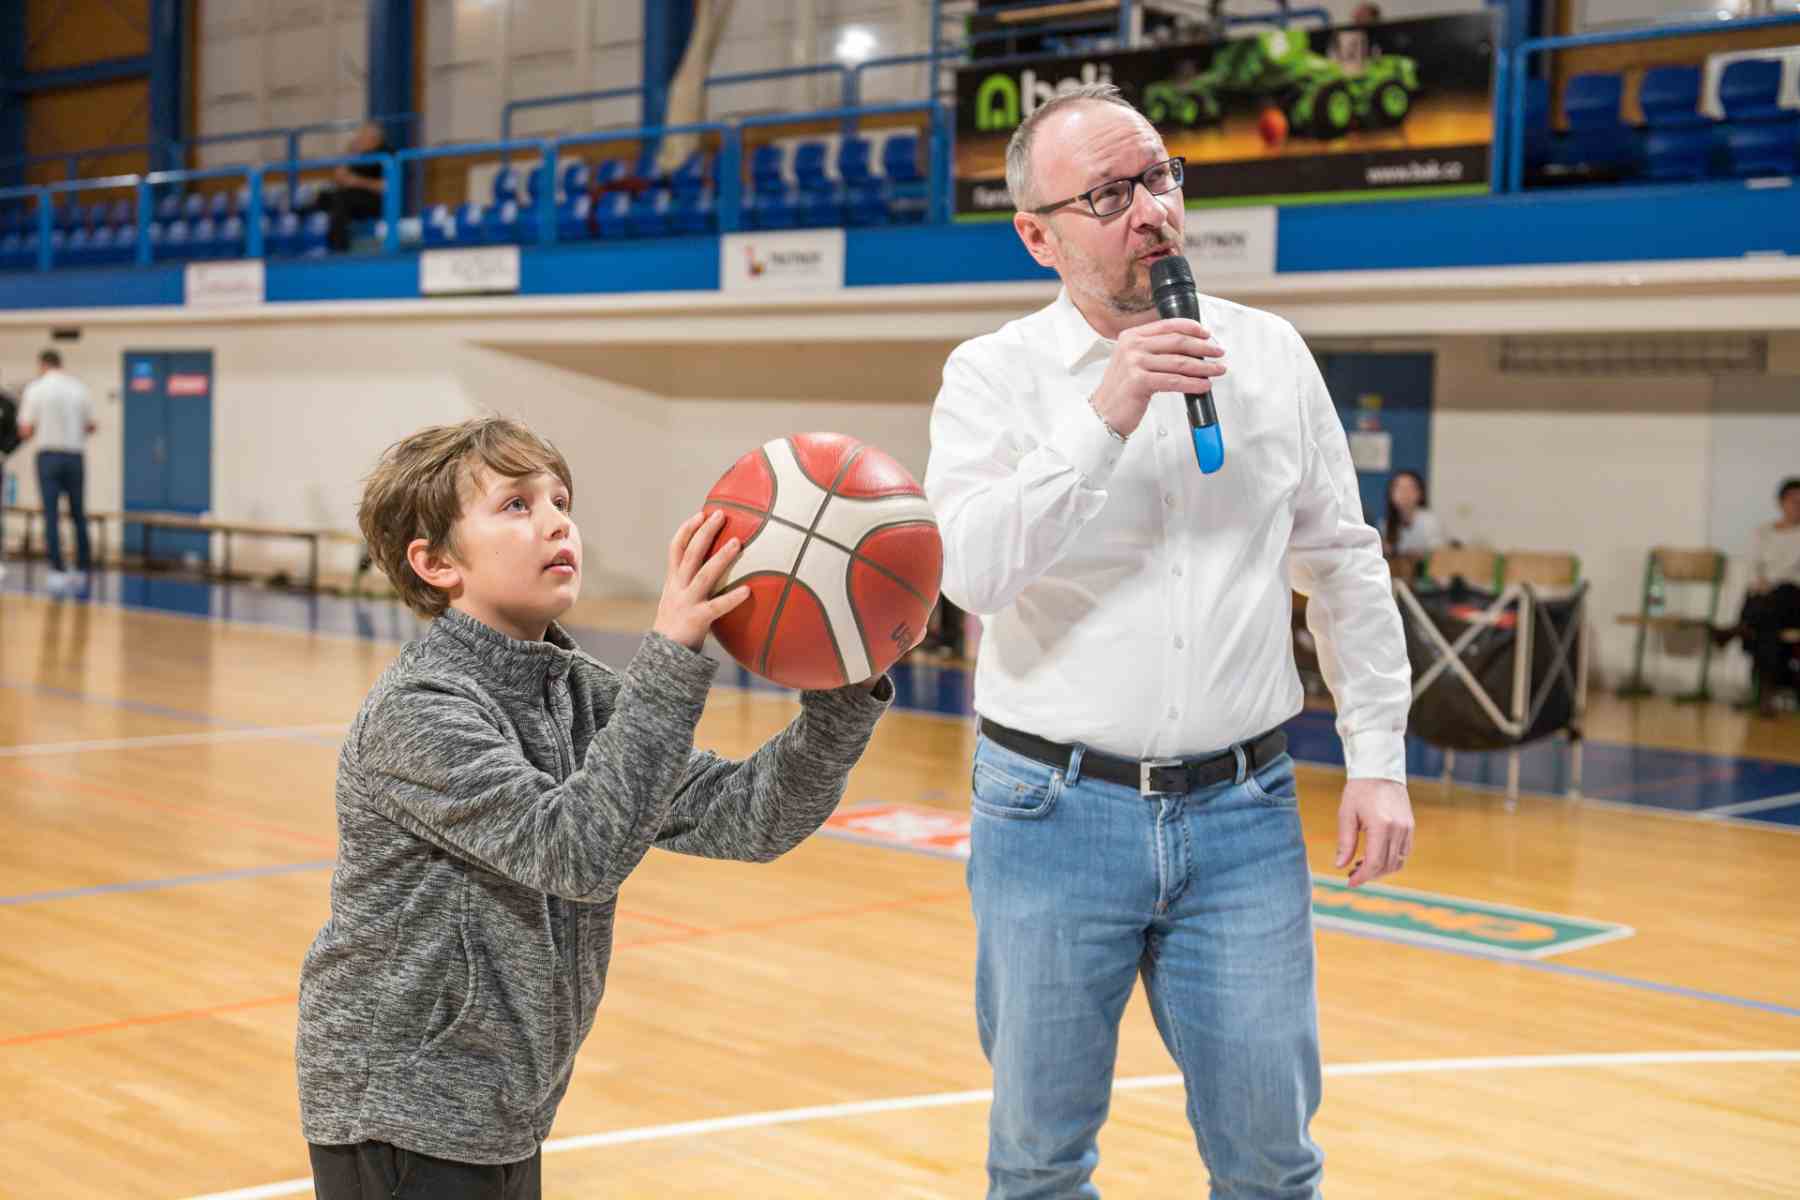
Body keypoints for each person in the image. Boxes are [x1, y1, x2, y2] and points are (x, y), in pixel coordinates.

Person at [924, 84, 1413, 1198]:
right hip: (1050, 814)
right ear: (1037, 236)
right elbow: (973, 573)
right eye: (1109, 194)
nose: (1151, 209)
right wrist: (1105, 414)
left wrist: (1379, 759)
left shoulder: (1270, 353)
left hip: (1244, 814)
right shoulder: (991, 375)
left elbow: (1343, 564)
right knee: (1040, 1160)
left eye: (1160, 177)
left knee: (1272, 1161)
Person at [296, 416, 893, 1199]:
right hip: (402, 1111)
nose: (556, 522)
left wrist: (847, 687)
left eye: (561, 501)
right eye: (516, 504)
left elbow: (750, 817)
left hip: (504, 1110)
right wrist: (671, 657)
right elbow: (577, 853)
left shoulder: (576, 693)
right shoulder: (420, 711)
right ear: (435, 562)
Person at [1714, 476, 1800, 716]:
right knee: (1765, 620)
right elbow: (1752, 566)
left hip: (1792, 597)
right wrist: (1759, 582)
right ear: (1781, 502)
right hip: (1765, 599)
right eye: (1793, 501)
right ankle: (1766, 694)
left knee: (1780, 593)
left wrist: (1774, 583)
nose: (1797, 506)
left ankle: (1737, 629)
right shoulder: (1762, 532)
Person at [17, 348, 96, 595]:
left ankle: (57, 570)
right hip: (74, 456)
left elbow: (25, 430)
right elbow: (91, 426)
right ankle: (83, 567)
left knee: (51, 514)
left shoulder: (36, 389)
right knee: (78, 513)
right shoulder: (79, 388)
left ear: (42, 365)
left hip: (49, 456)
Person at [320, 121, 391, 252]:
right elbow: (338, 177)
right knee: (324, 197)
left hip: (377, 200)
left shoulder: (387, 155)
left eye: (364, 136)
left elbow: (387, 186)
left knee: (342, 198)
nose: (360, 139)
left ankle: (338, 248)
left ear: (375, 139)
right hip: (353, 196)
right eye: (360, 136)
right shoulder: (358, 154)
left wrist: (357, 181)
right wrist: (350, 153)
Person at [1382, 468, 1449, 558]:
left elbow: (1439, 552)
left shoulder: (1430, 521)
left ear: (1420, 493)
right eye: (1399, 488)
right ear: (1391, 494)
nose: (1404, 493)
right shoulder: (1385, 524)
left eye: (1410, 488)